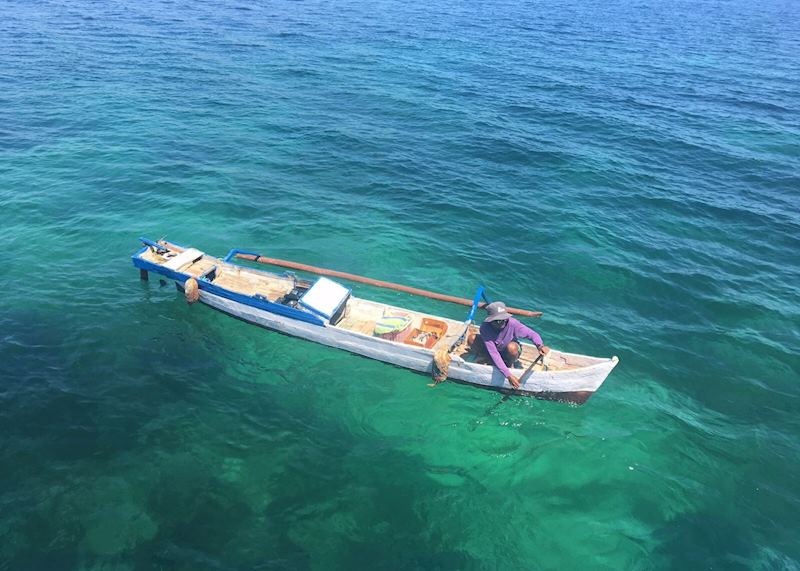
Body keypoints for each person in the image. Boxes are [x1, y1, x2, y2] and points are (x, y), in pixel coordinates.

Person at [468, 301, 549, 389]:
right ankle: (487, 358)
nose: (501, 322)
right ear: (490, 320)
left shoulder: (513, 323)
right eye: (497, 321)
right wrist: (508, 375)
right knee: (471, 339)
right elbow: (494, 352)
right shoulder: (485, 328)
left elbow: (532, 334)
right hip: (493, 351)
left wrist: (540, 346)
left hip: (508, 351)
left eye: (504, 319)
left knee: (512, 348)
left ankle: (509, 363)